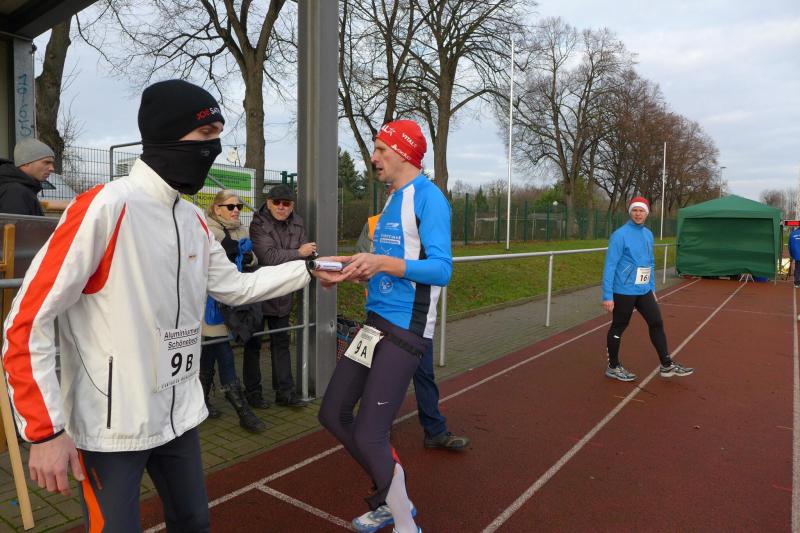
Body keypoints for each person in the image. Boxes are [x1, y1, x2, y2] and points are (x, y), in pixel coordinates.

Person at [1, 79, 343, 532]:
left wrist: (309, 270)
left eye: (218, 135)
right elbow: (27, 321)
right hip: (111, 429)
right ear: (166, 134)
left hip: (179, 415)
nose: (214, 148)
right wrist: (44, 430)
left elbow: (235, 288)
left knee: (194, 523)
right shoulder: (105, 206)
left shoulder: (193, 219)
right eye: (205, 134)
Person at [319, 119, 451, 533]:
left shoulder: (429, 198)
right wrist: (345, 269)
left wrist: (381, 263)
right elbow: (382, 265)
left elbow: (442, 269)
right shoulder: (393, 198)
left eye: (381, 149)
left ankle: (404, 522)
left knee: (371, 433)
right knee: (333, 413)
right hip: (374, 323)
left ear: (404, 153)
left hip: (406, 329)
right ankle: (392, 496)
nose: (373, 157)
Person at [356, 211, 469, 451]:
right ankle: (376, 427)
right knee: (374, 374)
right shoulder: (374, 223)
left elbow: (437, 267)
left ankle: (435, 431)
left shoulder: (425, 221)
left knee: (424, 374)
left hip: (416, 320)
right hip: (379, 316)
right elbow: (361, 267)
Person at [602, 196, 693, 381]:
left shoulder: (648, 234)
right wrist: (607, 295)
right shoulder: (620, 235)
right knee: (619, 326)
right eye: (635, 210)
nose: (638, 214)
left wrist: (652, 287)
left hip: (644, 290)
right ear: (630, 212)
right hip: (624, 290)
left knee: (656, 322)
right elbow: (610, 265)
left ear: (646, 213)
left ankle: (666, 365)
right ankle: (613, 366)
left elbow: (650, 262)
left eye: (641, 211)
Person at [200, 190, 266, 433]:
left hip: (235, 302)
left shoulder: (242, 230)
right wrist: (232, 254)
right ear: (217, 208)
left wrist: (247, 258)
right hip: (210, 303)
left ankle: (201, 402)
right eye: (230, 206)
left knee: (210, 350)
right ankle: (241, 409)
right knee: (222, 348)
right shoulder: (207, 231)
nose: (236, 210)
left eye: (238, 206)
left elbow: (254, 259)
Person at [248, 184, 317, 407]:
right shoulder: (258, 223)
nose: (281, 207)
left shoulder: (298, 223)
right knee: (253, 343)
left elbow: (307, 255)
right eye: (276, 202)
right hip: (258, 292)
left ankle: (285, 392)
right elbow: (267, 257)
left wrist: (304, 256)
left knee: (281, 342)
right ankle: (253, 393)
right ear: (268, 203)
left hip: (283, 293)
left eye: (286, 203)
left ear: (292, 206)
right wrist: (298, 253)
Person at [0, 138, 55, 215]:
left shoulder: (18, 188)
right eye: (47, 162)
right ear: (25, 162)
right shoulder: (16, 192)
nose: (52, 169)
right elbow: (17, 222)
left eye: (52, 164)